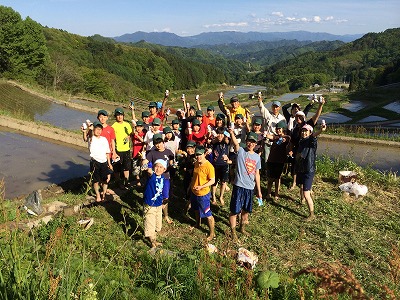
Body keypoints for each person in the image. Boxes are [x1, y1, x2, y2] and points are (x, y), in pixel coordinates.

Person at [228, 131, 262, 242]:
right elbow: (235, 143)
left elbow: (257, 174)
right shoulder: (241, 151)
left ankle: (242, 228)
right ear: (246, 141)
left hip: (250, 188)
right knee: (235, 210)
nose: (250, 144)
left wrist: (259, 190)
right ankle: (233, 232)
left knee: (246, 210)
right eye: (249, 141)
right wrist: (231, 133)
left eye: (253, 142)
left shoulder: (257, 158)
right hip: (239, 186)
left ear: (256, 143)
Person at [295, 123, 326, 221]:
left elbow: (314, 136)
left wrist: (321, 130)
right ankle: (302, 202)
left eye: (306, 131)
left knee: (306, 193)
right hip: (302, 168)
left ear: (310, 132)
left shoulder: (311, 141)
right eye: (303, 131)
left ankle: (312, 214)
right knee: (301, 186)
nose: (304, 132)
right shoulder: (301, 141)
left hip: (308, 169)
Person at [143, 133, 175, 224]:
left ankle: (165, 215)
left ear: (163, 142)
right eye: (156, 143)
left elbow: (171, 163)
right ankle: (153, 213)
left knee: (165, 197)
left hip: (165, 177)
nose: (158, 145)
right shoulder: (152, 153)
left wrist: (172, 165)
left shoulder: (168, 152)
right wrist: (143, 163)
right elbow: (146, 161)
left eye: (160, 142)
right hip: (155, 178)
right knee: (154, 195)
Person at [190, 146, 216, 241]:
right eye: (197, 155)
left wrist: (201, 186)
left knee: (208, 214)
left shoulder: (209, 166)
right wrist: (191, 186)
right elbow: (194, 177)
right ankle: (197, 224)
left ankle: (212, 233)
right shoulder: (196, 163)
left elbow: (212, 181)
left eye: (200, 154)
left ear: (204, 154)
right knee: (196, 209)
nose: (198, 157)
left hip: (203, 194)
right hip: (194, 192)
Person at [257, 95, 286, 174]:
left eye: (277, 107)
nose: (275, 108)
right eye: (274, 107)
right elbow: (262, 109)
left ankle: (275, 174)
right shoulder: (269, 115)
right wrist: (260, 101)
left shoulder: (282, 118)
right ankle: (268, 174)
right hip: (268, 141)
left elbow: (284, 130)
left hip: (277, 141)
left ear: (279, 108)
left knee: (276, 158)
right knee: (267, 158)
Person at [143, 159, 168, 248]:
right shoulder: (152, 176)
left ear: (164, 169)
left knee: (158, 226)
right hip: (150, 204)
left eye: (161, 167)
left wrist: (164, 201)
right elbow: (147, 169)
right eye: (156, 166)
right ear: (153, 167)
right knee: (150, 224)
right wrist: (144, 159)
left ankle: (154, 239)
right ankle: (153, 243)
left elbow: (163, 191)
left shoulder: (163, 178)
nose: (158, 169)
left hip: (158, 205)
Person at [265, 120, 291, 201]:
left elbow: (285, 139)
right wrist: (265, 135)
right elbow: (271, 137)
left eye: (280, 129)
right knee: (270, 178)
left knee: (277, 178)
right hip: (271, 160)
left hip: (280, 161)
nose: (278, 130)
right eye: (277, 129)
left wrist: (281, 139)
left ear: (283, 129)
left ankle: (276, 193)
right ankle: (269, 193)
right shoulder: (275, 137)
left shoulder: (287, 137)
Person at [88, 121, 112, 202]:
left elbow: (107, 152)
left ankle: (104, 194)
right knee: (96, 180)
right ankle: (98, 194)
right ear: (94, 130)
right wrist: (89, 129)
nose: (98, 131)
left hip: (104, 162)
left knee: (105, 180)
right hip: (95, 162)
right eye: (96, 129)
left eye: (100, 129)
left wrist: (109, 163)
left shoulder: (104, 139)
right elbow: (90, 136)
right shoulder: (91, 139)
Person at [112, 107, 132, 189]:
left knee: (126, 167)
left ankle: (126, 181)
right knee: (117, 168)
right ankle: (118, 182)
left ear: (123, 116)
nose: (119, 117)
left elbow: (130, 134)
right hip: (118, 150)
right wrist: (114, 152)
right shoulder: (114, 126)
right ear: (115, 116)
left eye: (121, 115)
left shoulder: (127, 124)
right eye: (118, 115)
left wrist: (128, 137)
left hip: (126, 149)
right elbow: (112, 139)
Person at [209, 127, 230, 206]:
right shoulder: (215, 142)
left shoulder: (226, 141)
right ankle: (213, 196)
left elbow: (228, 140)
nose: (220, 136)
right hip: (215, 165)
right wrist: (216, 137)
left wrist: (226, 135)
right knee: (214, 182)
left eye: (222, 134)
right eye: (219, 134)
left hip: (224, 165)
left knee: (223, 182)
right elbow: (212, 141)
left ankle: (221, 196)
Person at [131, 120, 146, 187]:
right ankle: (138, 181)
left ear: (142, 127)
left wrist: (138, 136)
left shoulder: (144, 134)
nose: (138, 128)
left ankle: (144, 181)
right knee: (136, 169)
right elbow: (131, 135)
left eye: (140, 127)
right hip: (135, 154)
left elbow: (144, 141)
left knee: (143, 169)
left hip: (142, 155)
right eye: (137, 127)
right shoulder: (133, 135)